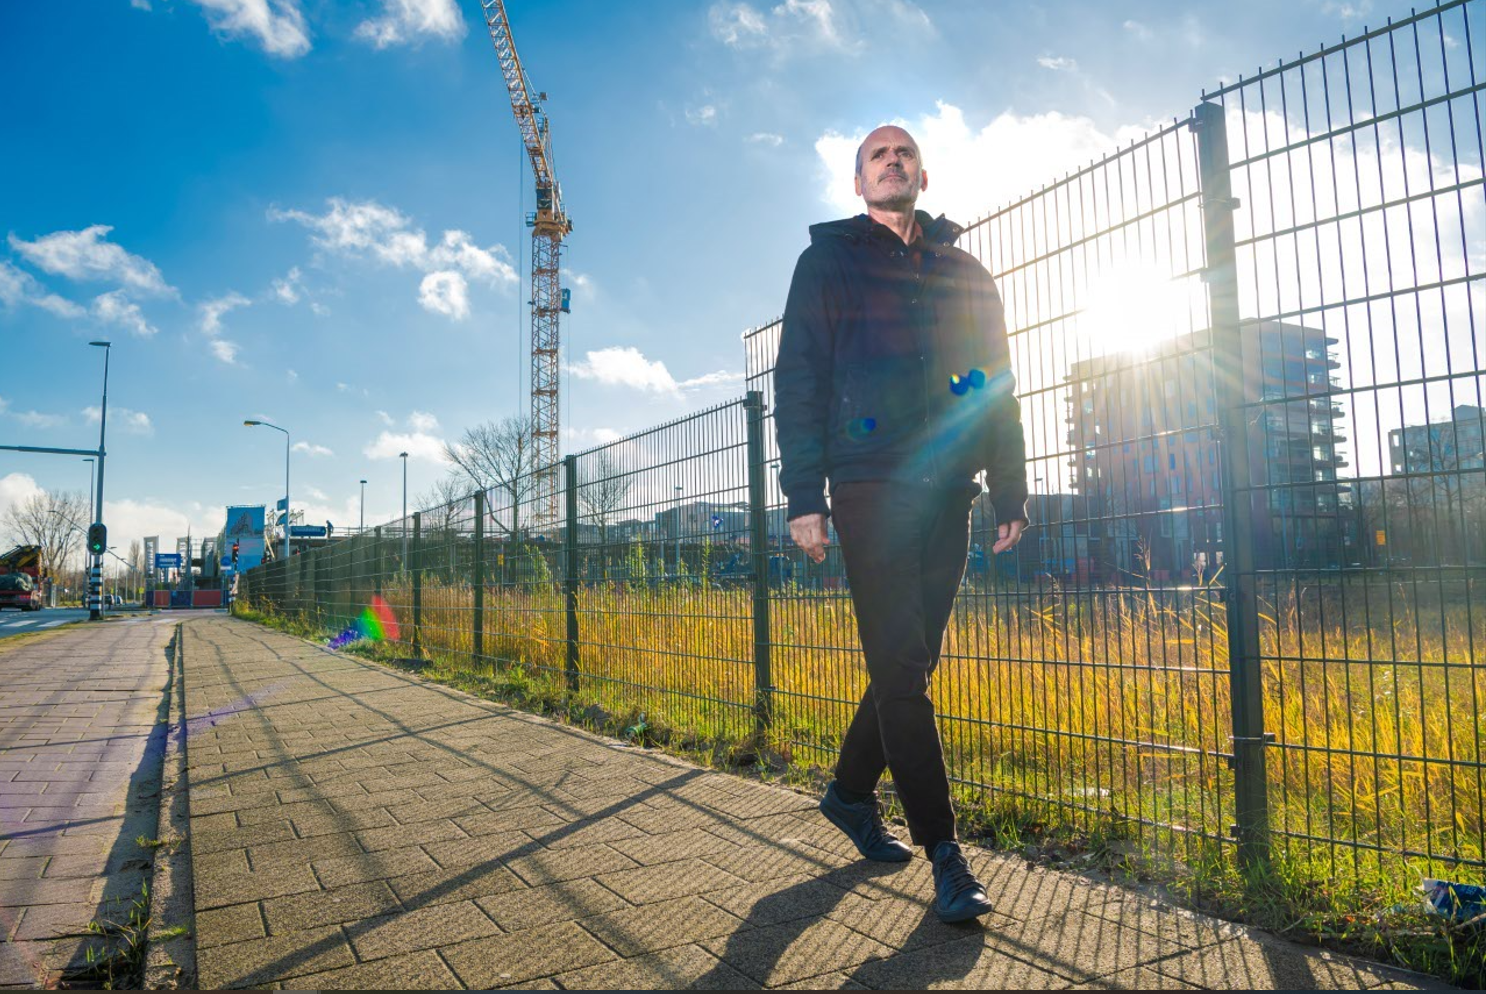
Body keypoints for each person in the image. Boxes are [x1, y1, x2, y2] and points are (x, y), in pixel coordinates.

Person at [773, 125, 1028, 923]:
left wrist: (1011, 490)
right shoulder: (828, 263)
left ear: (923, 173)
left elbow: (997, 382)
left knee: (910, 662)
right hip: (867, 486)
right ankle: (945, 855)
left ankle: (851, 794)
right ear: (858, 183)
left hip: (948, 486)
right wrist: (803, 496)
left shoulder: (964, 271)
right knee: (902, 668)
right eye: (878, 155)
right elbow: (801, 377)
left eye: (904, 152)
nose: (893, 161)